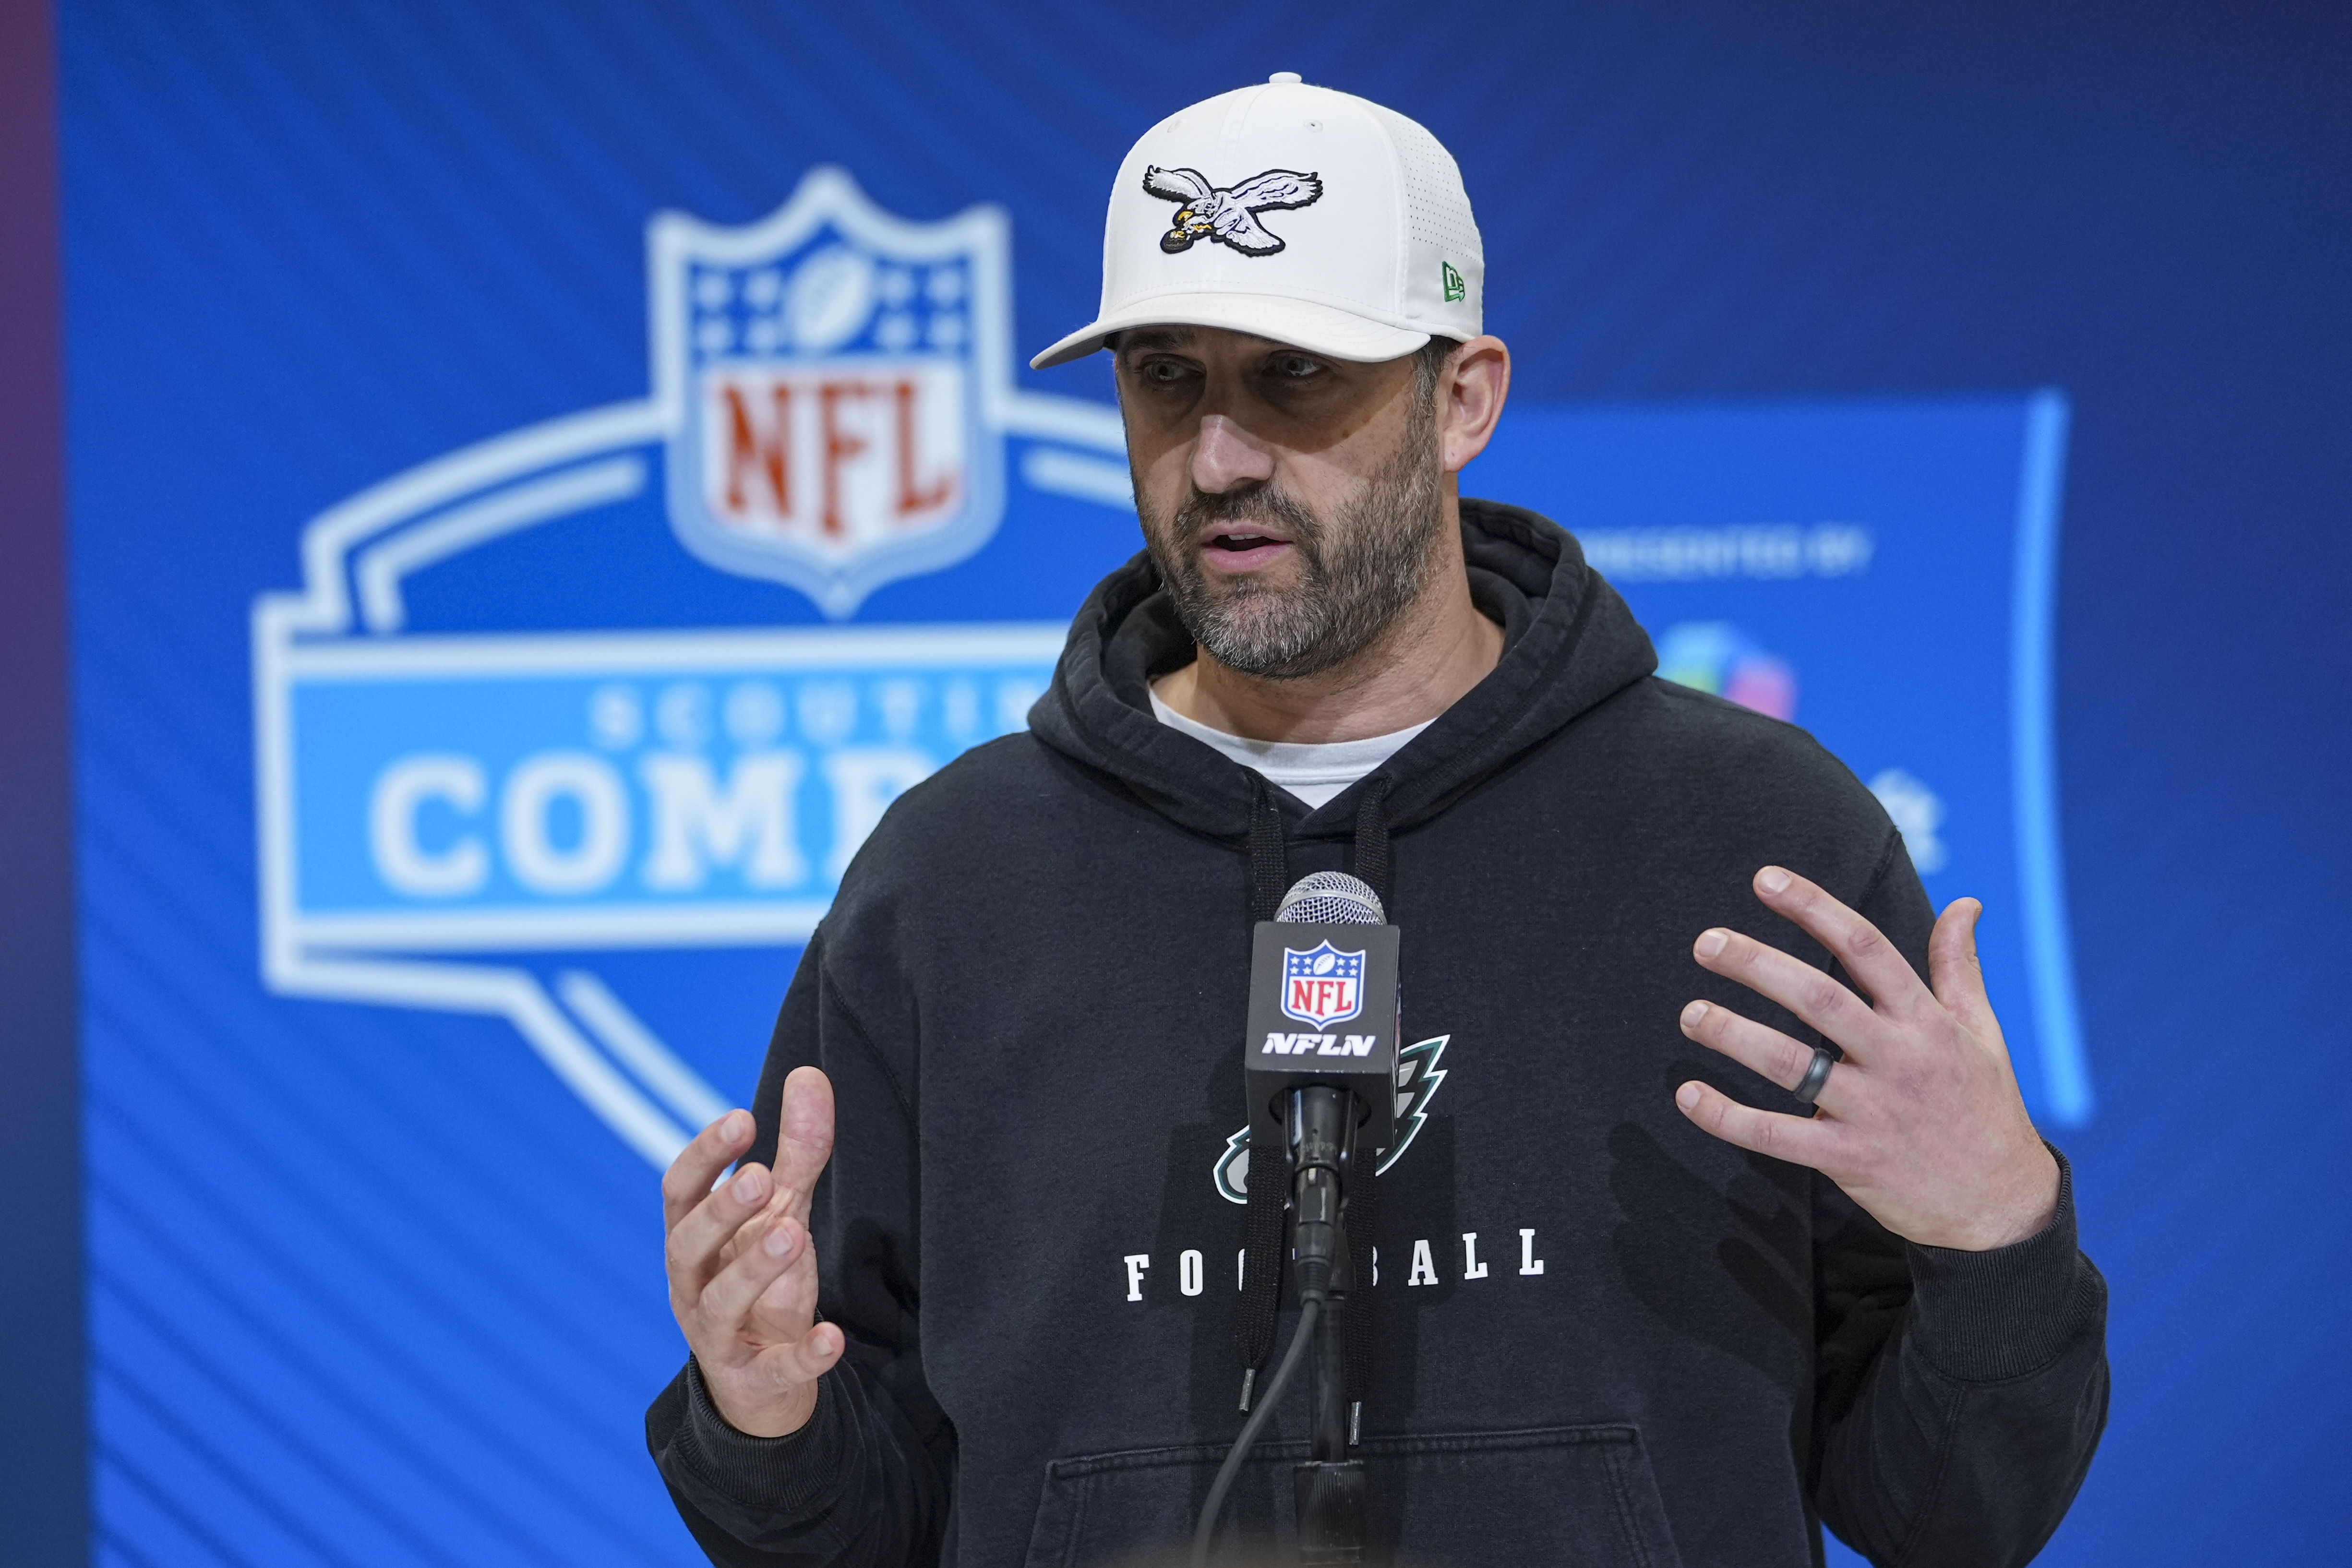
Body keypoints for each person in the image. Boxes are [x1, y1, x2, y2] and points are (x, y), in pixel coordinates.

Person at [647, 74, 2108, 1567]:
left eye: (1294, 374)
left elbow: (1951, 1517)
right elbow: (855, 1528)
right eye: (1166, 376)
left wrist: (1994, 1234)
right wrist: (760, 1417)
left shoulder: (1751, 834)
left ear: (1461, 397)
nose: (1218, 456)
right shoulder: (952, 880)